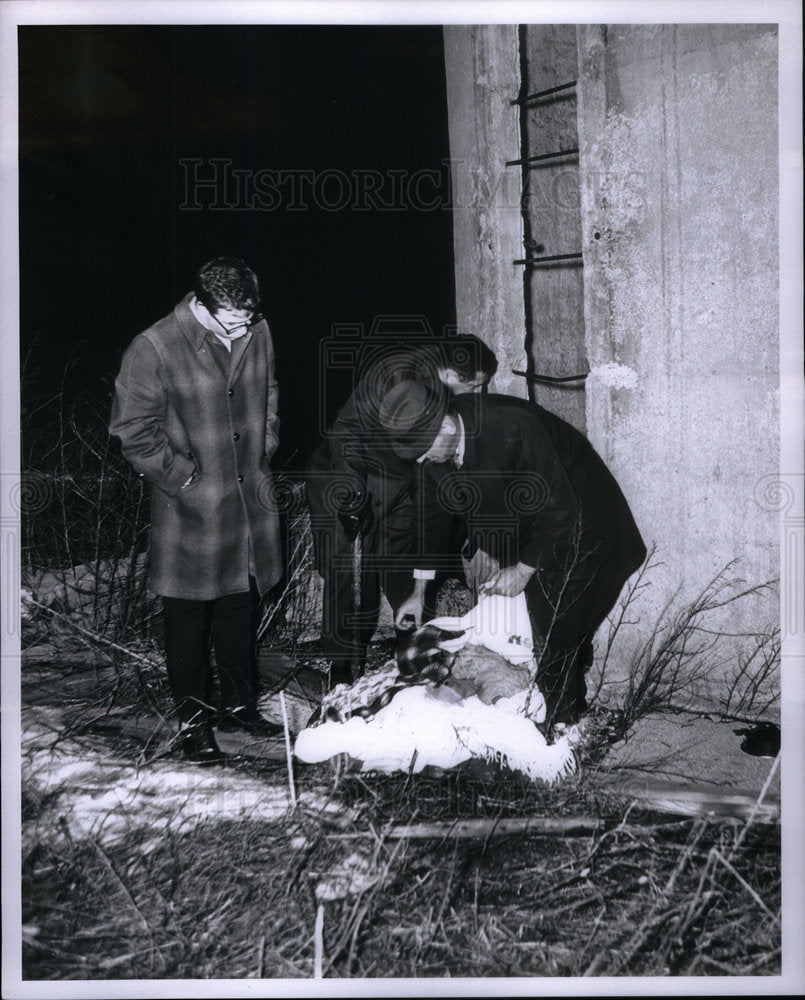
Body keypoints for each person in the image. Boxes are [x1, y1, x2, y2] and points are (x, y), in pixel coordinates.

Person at [383, 383, 647, 730]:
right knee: (553, 628)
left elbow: (562, 510)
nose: (420, 459)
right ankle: (565, 700)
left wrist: (522, 569)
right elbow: (431, 520)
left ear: (446, 425)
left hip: (589, 530)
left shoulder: (511, 427)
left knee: (555, 630)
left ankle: (560, 729)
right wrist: (418, 592)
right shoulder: (437, 450)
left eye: (421, 449)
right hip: (540, 533)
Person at [109, 256, 283, 764]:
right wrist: (185, 479)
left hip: (248, 499)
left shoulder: (258, 332)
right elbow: (132, 431)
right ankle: (192, 723)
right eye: (232, 318)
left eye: (248, 317)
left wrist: (265, 441)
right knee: (187, 617)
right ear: (202, 304)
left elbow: (269, 390)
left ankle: (238, 705)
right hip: (191, 509)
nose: (242, 327)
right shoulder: (155, 346)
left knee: (238, 605)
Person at [306, 334, 498, 687]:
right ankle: (341, 670)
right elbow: (347, 432)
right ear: (455, 376)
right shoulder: (396, 375)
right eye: (476, 385)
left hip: (400, 483)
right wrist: (351, 494)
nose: (477, 393)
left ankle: (412, 654)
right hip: (347, 476)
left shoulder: (444, 389)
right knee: (347, 576)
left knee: (403, 565)